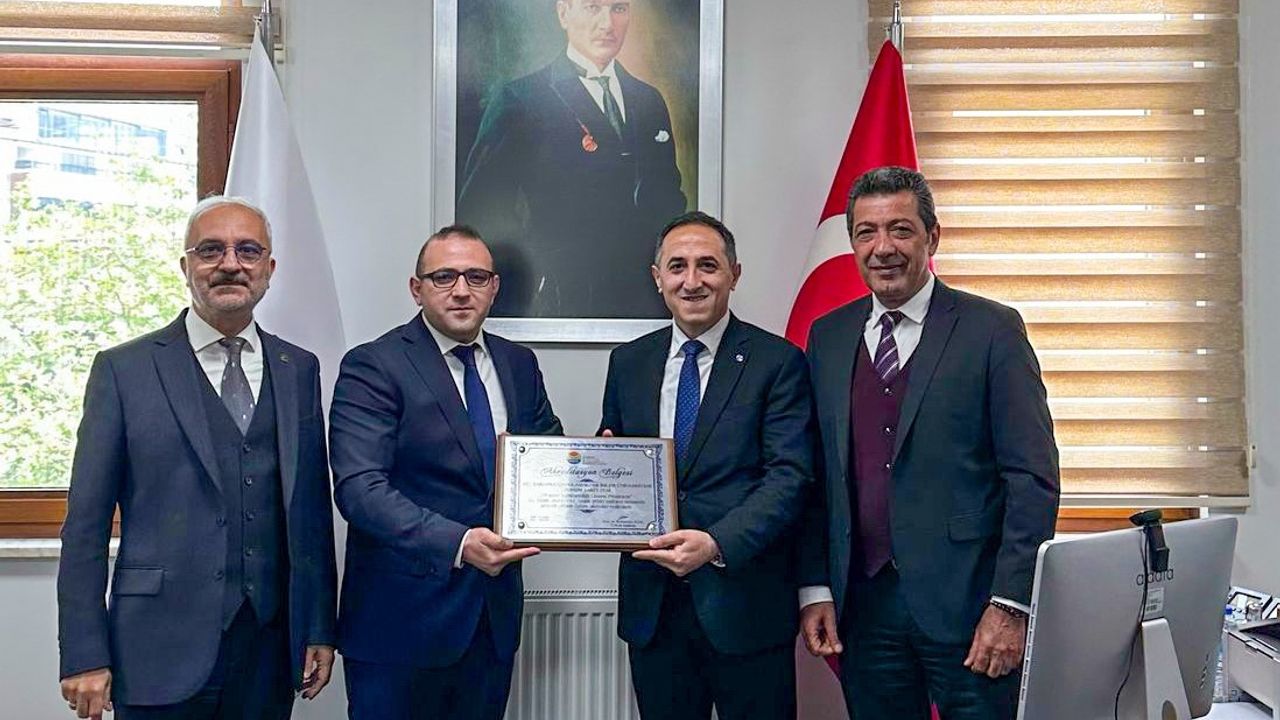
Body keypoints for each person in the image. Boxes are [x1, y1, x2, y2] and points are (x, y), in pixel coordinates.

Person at [57, 196, 338, 720]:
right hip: (156, 646)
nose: (231, 263)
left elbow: (311, 512)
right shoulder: (124, 370)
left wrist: (319, 625)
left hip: (269, 647)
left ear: (269, 269)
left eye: (248, 250)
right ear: (186, 267)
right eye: (211, 250)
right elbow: (85, 527)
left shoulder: (299, 369)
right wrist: (84, 652)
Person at [797, 166, 1061, 720]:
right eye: (866, 233)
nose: (883, 248)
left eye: (901, 229)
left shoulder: (992, 330)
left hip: (971, 609)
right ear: (852, 244)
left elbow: (1031, 477)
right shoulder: (828, 336)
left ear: (932, 237)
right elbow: (817, 476)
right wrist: (816, 586)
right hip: (864, 609)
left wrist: (1011, 604)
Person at [329, 225, 563, 720]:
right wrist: (458, 543)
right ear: (416, 289)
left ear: (494, 288)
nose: (461, 290)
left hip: (491, 620)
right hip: (399, 625)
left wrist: (590, 468)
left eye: (476, 277)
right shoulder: (374, 365)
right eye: (444, 277)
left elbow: (545, 459)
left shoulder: (519, 364)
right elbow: (360, 490)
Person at [598, 211, 815, 720]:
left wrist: (716, 543)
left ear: (734, 275)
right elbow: (617, 463)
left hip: (746, 605)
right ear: (658, 278)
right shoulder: (628, 362)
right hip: (654, 610)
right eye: (677, 266)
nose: (691, 281)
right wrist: (601, 470)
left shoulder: (778, 362)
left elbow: (789, 477)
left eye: (708, 266)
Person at [457, 0, 687, 319]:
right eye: (593, 8)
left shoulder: (649, 100)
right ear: (564, 13)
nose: (607, 24)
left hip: (645, 305)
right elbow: (483, 209)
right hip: (561, 299)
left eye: (619, 8)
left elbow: (669, 198)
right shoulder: (520, 100)